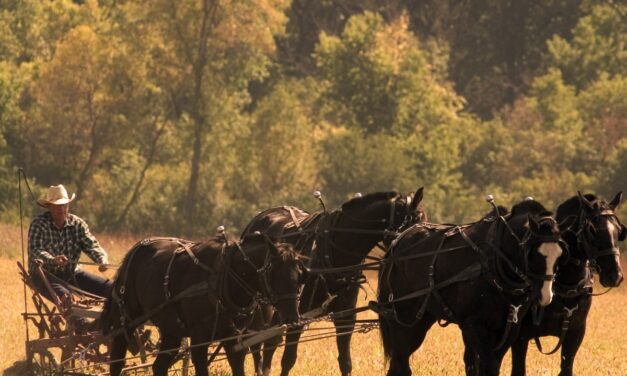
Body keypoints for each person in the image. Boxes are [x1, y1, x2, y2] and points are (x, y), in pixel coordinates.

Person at [28, 184, 112, 331]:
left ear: (68, 205)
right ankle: (83, 327)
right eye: (57, 206)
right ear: (49, 207)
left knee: (111, 288)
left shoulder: (77, 224)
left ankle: (120, 326)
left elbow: (91, 245)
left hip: (72, 273)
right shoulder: (39, 224)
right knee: (66, 296)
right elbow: (36, 250)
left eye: (64, 205)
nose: (61, 209)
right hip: (45, 275)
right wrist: (53, 259)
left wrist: (101, 259)